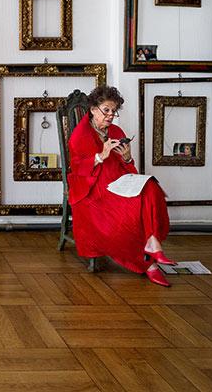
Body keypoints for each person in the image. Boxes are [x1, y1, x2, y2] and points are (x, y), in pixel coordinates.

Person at [67, 85, 176, 287]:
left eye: (113, 111)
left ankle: (153, 242)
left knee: (151, 187)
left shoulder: (116, 130)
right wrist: (101, 155)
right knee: (126, 212)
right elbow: (77, 169)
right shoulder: (79, 135)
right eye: (106, 110)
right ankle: (149, 265)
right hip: (94, 189)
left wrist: (127, 158)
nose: (110, 116)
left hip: (119, 181)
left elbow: (128, 166)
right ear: (93, 109)